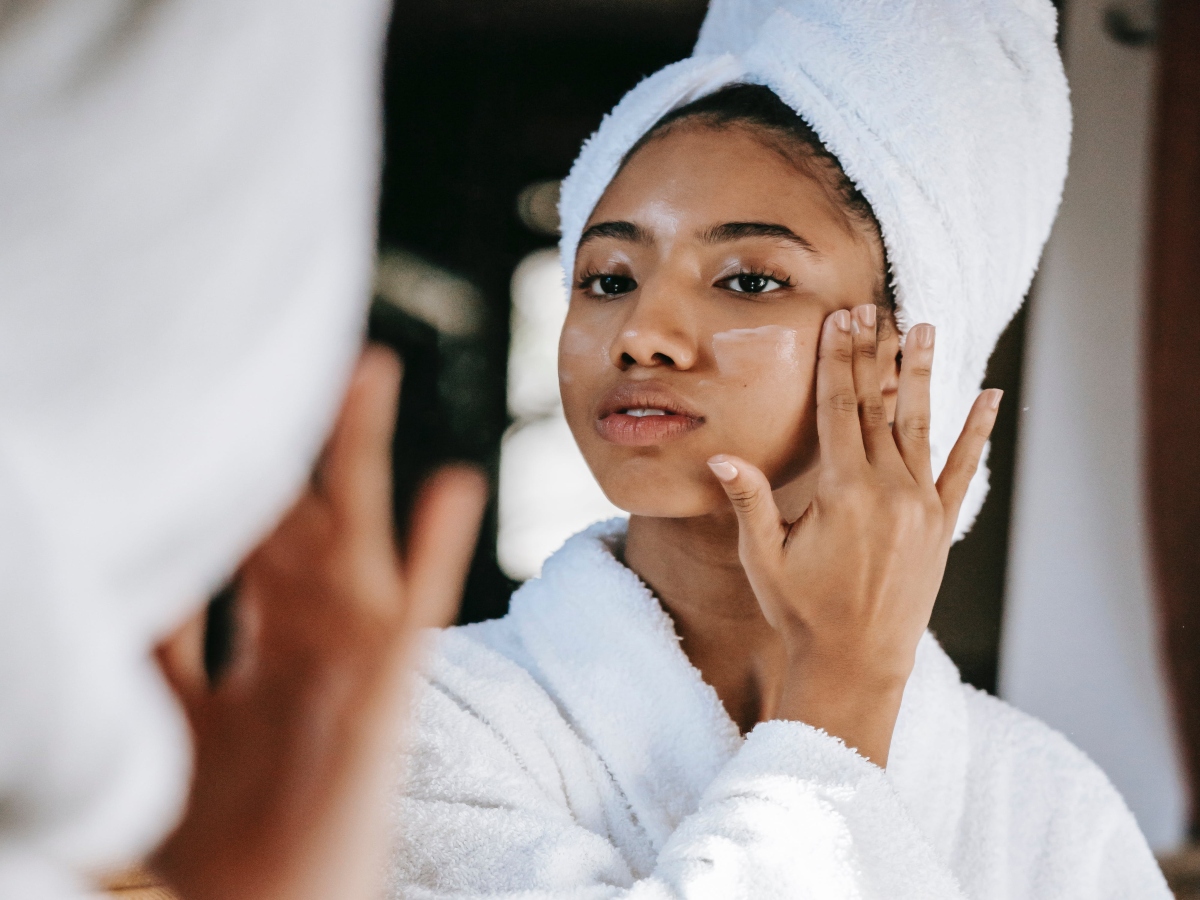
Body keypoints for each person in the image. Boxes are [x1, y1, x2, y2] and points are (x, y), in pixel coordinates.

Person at [388, 1, 1172, 897]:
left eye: (750, 280)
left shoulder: (1045, 806)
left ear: (914, 349)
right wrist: (838, 704)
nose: (642, 334)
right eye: (608, 278)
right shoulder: (415, 726)